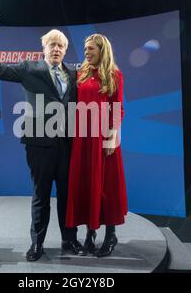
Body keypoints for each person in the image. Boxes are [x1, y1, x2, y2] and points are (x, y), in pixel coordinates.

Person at [0, 27, 86, 261]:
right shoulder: (29, 68)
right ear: (44, 48)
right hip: (39, 144)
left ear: (65, 50)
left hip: (68, 145)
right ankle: (37, 244)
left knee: (67, 195)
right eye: (52, 45)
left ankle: (69, 240)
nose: (57, 49)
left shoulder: (73, 73)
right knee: (41, 195)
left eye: (61, 46)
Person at [66, 34, 128, 257]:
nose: (86, 53)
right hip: (82, 139)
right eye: (85, 49)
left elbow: (118, 108)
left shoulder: (114, 74)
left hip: (104, 140)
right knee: (85, 185)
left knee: (106, 188)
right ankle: (89, 234)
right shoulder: (81, 74)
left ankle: (110, 235)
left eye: (90, 49)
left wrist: (112, 136)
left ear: (102, 50)